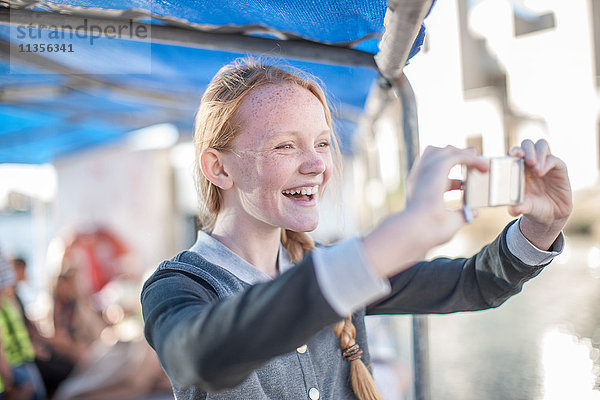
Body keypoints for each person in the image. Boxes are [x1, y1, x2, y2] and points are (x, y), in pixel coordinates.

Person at [141, 58, 572, 400]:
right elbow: (196, 357)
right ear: (218, 167)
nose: (316, 165)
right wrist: (401, 232)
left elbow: (472, 284)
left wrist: (541, 224)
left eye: (323, 143)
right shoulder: (177, 286)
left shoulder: (329, 262)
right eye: (285, 145)